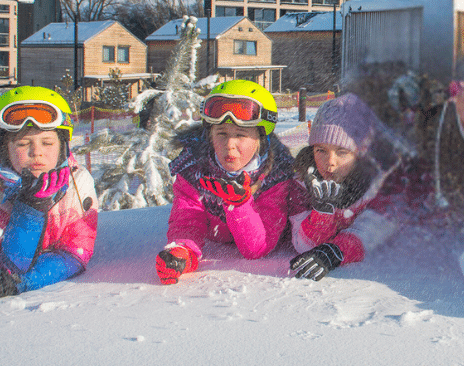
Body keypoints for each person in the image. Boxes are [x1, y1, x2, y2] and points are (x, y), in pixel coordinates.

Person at [155, 79, 309, 285]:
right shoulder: (193, 168)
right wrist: (183, 251)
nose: (230, 145)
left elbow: (256, 249)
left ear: (260, 138)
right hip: (214, 239)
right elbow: (188, 218)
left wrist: (239, 204)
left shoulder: (276, 176)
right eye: (222, 133)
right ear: (210, 135)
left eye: (241, 135)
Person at [0, 86, 98, 298]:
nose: (36, 151)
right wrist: (29, 209)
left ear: (62, 147)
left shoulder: (78, 183)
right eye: (22, 143)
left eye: (47, 142)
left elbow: (76, 254)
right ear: (3, 148)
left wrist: (19, 284)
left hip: (43, 246)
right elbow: (11, 263)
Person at [289, 93, 402, 281]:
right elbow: (303, 245)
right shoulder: (302, 181)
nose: (329, 163)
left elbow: (370, 233)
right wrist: (322, 213)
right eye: (321, 150)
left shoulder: (377, 186)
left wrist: (336, 251)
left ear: (360, 154)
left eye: (342, 152)